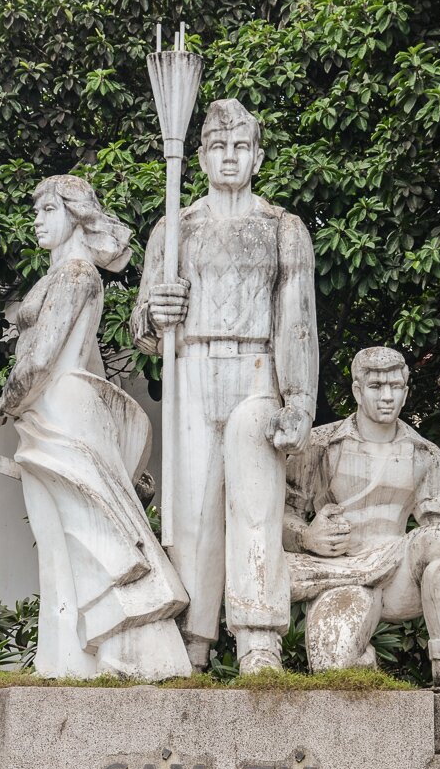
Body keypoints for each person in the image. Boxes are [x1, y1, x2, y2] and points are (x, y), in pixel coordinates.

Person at [130, 99, 318, 673]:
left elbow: (298, 319)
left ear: (257, 156)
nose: (229, 157)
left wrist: (301, 399)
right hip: (192, 369)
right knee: (189, 512)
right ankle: (193, 640)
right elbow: (140, 329)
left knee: (255, 500)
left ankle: (258, 635)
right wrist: (156, 313)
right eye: (218, 147)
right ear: (202, 157)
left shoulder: (282, 229)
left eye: (240, 147)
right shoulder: (174, 227)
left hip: (258, 369)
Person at [0, 174, 190, 680]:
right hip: (58, 412)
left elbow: (38, 361)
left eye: (46, 209)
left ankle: (103, 656)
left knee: (83, 537)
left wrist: (5, 401)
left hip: (57, 411)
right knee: (66, 540)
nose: (35, 219)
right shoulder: (72, 276)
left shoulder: (75, 275)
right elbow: (91, 366)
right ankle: (65, 660)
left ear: (75, 215)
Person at [283, 346, 440, 685]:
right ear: (357, 391)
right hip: (340, 572)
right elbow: (279, 516)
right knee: (333, 674)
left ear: (406, 392)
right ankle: (362, 661)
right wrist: (307, 536)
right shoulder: (319, 445)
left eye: (396, 387)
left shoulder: (425, 453)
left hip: (399, 573)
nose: (387, 397)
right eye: (377, 387)